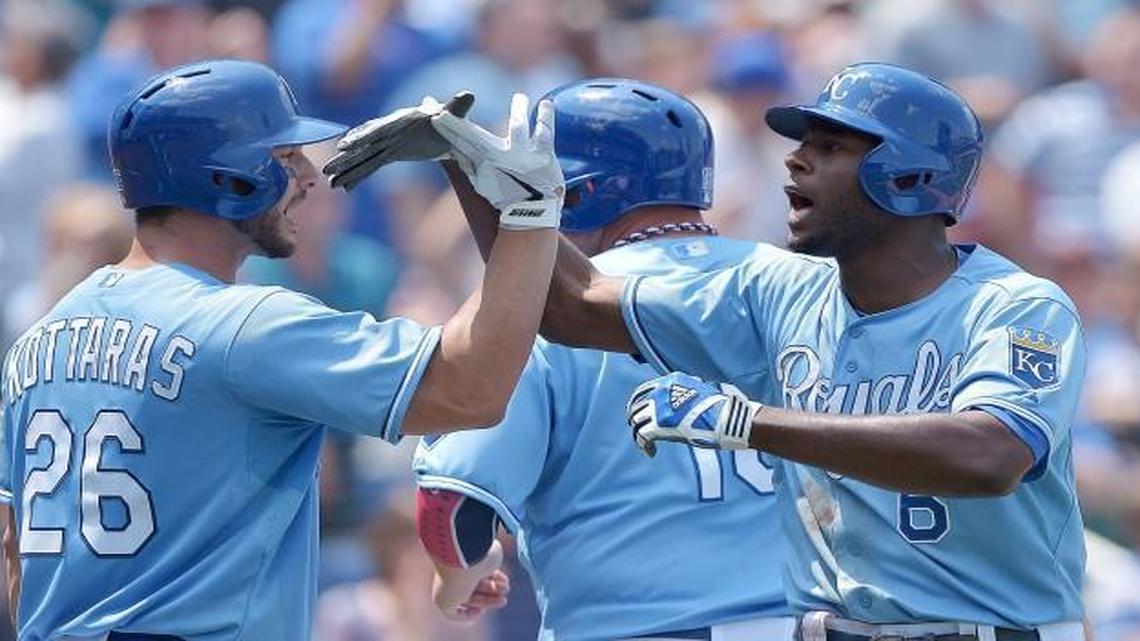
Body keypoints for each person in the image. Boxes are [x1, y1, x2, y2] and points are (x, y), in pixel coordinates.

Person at [407, 63, 1087, 640]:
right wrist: (492, 183)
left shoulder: (1014, 305)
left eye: (830, 146)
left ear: (907, 179)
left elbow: (989, 453)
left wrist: (748, 422)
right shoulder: (775, 290)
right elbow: (566, 307)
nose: (795, 159)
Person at [0, 59, 562, 640]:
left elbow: (15, 558)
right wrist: (528, 216)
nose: (308, 179)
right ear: (227, 175)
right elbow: (469, 389)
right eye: (286, 158)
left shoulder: (38, 342)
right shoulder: (243, 325)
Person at [411, 79, 794, 641]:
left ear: (578, 195)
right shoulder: (804, 284)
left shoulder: (537, 312)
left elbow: (449, 510)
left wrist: (457, 581)